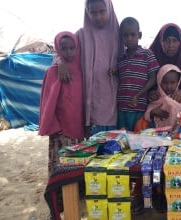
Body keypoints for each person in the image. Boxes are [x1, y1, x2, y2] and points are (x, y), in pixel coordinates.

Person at [58, 0, 123, 137]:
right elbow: (63, 51)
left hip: (114, 99)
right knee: (94, 145)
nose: (98, 16)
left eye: (102, 11)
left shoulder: (119, 34)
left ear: (109, 9)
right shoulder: (81, 35)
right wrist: (60, 62)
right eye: (93, 12)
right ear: (86, 12)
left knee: (113, 145)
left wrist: (117, 67)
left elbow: (128, 58)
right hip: (90, 98)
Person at [39, 31, 84, 177]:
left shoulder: (81, 70)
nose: (69, 52)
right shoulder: (53, 72)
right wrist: (53, 125)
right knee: (61, 162)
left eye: (72, 48)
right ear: (58, 49)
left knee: (77, 161)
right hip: (61, 129)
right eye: (64, 48)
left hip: (78, 125)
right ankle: (58, 194)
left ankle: (76, 191)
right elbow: (48, 103)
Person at [116, 17, 159, 131]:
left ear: (139, 35)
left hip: (139, 107)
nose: (129, 38)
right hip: (122, 107)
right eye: (125, 35)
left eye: (132, 34)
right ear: (121, 37)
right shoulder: (120, 58)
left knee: (139, 139)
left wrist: (138, 94)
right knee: (123, 140)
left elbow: (153, 78)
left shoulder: (147, 54)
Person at [149, 23, 181, 102]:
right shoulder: (152, 56)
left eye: (174, 41)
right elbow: (145, 81)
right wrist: (151, 92)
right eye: (167, 41)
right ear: (161, 42)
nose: (171, 45)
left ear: (180, 42)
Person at [144, 64, 181, 129]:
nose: (168, 86)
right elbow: (147, 115)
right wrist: (153, 112)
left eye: (172, 83)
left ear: (178, 82)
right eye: (165, 82)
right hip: (158, 134)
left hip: (178, 134)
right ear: (159, 82)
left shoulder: (179, 98)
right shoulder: (156, 97)